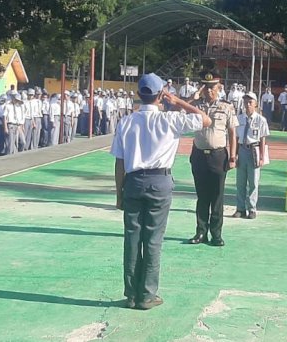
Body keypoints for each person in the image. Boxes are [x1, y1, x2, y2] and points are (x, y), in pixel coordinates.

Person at [110, 73, 209, 310]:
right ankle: (147, 295)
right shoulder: (171, 119)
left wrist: (119, 193)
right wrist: (178, 101)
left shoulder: (127, 121)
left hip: (133, 181)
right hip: (160, 181)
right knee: (153, 240)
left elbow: (120, 163)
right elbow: (204, 120)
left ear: (138, 95)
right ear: (161, 95)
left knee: (132, 240)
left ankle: (132, 294)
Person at [187, 71, 238, 247]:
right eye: (206, 87)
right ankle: (201, 232)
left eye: (212, 87)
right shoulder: (196, 106)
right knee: (202, 196)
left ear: (219, 88)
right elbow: (179, 109)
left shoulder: (226, 107)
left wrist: (232, 156)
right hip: (199, 155)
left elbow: (232, 133)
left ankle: (216, 234)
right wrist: (193, 97)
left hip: (218, 156)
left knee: (217, 197)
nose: (209, 91)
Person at [233, 92, 269, 219]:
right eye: (245, 102)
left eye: (250, 102)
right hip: (242, 150)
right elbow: (236, 137)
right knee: (240, 182)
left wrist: (261, 157)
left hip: (254, 150)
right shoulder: (239, 118)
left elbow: (263, 139)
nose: (247, 105)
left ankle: (252, 208)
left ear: (255, 104)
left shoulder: (261, 120)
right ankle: (240, 208)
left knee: (253, 182)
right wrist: (234, 154)